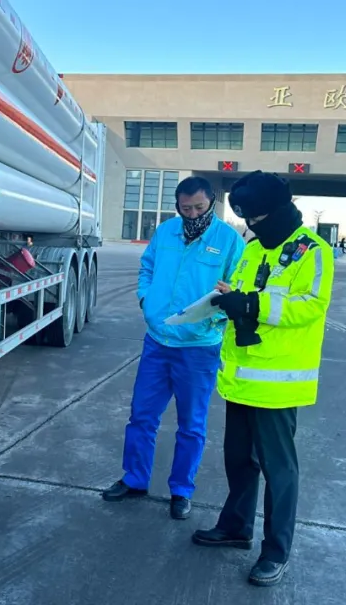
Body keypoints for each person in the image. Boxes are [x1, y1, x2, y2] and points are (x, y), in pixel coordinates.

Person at [191, 171, 334, 587]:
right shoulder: (253, 249)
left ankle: (275, 551)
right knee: (238, 460)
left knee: (279, 470)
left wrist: (251, 304)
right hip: (241, 379)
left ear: (280, 210)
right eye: (248, 219)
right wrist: (228, 298)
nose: (253, 225)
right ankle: (236, 527)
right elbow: (242, 290)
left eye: (258, 218)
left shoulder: (313, 251)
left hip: (278, 384)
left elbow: (311, 305)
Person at [102, 176, 245, 520]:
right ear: (177, 206)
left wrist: (216, 317)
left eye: (199, 207)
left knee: (191, 425)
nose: (192, 214)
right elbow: (147, 267)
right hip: (158, 341)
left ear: (212, 203)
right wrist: (145, 299)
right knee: (141, 416)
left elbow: (237, 288)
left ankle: (181, 490)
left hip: (198, 347)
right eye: (185, 208)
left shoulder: (229, 240)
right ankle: (134, 479)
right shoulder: (166, 232)